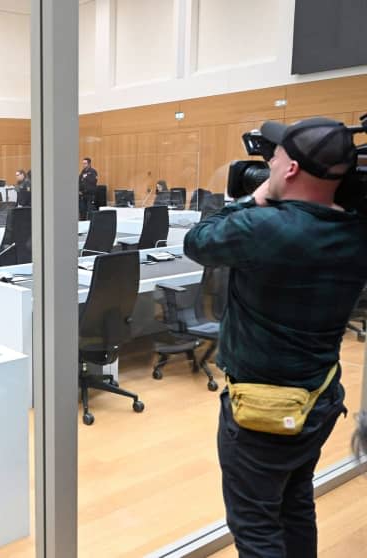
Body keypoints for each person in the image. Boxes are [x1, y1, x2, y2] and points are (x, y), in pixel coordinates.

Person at [184, 117, 367, 558]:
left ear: (289, 170)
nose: (268, 165)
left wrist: (257, 196)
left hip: (263, 411)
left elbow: (198, 241)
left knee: (256, 524)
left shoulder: (264, 228)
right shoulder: (357, 232)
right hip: (320, 399)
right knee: (295, 502)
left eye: (275, 159)